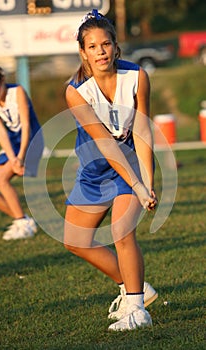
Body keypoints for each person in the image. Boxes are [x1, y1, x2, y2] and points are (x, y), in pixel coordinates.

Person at [64, 10, 158, 331]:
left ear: (116, 47)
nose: (101, 51)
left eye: (106, 44)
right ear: (83, 52)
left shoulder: (137, 77)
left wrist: (145, 181)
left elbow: (143, 129)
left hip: (129, 162)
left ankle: (137, 309)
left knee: (121, 231)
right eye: (92, 46)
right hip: (96, 168)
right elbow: (104, 144)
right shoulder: (75, 90)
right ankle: (135, 287)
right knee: (75, 239)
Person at [0, 64, 44, 240]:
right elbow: (0, 132)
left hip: (30, 141)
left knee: (1, 179)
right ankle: (23, 220)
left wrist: (21, 158)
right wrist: (12, 158)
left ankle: (22, 223)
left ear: (1, 82)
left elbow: (26, 125)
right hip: (12, 145)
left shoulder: (17, 92)